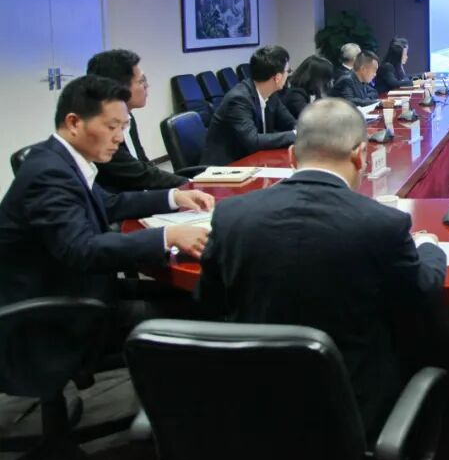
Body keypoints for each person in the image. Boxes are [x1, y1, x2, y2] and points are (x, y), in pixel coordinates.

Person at [196, 98, 446, 430]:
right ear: (361, 155)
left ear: (291, 156)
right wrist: (429, 248)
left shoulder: (230, 215)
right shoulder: (383, 224)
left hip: (251, 401)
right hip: (351, 410)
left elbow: (210, 303)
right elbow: (422, 293)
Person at [0, 75, 213, 345]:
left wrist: (174, 197)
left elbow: (110, 203)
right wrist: (167, 236)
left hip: (85, 287)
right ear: (74, 123)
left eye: (123, 127)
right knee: (205, 311)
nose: (119, 138)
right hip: (57, 316)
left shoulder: (63, 159)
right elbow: (82, 249)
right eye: (112, 127)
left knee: (203, 294)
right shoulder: (48, 173)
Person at [86, 49, 188, 191]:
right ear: (118, 87)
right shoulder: (100, 129)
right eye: (141, 81)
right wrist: (189, 184)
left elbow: (142, 164)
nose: (147, 86)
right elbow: (137, 174)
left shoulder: (127, 117)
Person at [201, 46, 297, 165]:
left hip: (254, 162)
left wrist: (303, 131)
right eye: (288, 71)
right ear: (277, 78)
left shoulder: (271, 95)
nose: (288, 75)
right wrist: (295, 135)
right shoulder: (238, 99)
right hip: (226, 168)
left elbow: (290, 123)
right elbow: (253, 141)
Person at [281, 55, 335, 119]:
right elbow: (312, 118)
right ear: (317, 78)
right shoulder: (295, 96)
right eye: (326, 79)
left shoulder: (309, 91)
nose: (328, 83)